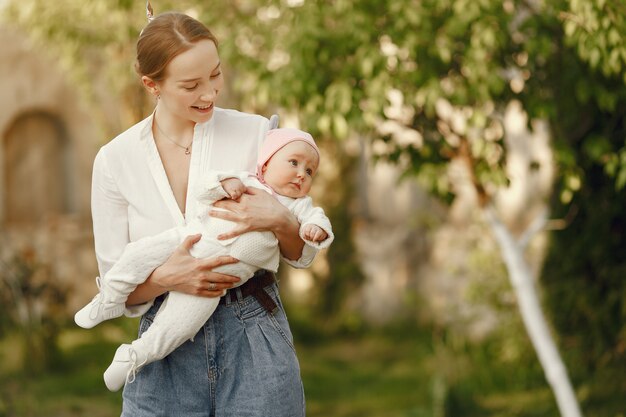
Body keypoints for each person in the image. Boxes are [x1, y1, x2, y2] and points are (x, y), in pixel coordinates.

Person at [88, 8, 321, 417]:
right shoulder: (114, 161)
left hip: (254, 331)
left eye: (215, 75)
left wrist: (280, 220)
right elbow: (117, 286)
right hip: (165, 343)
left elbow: (302, 253)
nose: (210, 94)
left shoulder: (256, 133)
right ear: (152, 85)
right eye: (191, 85)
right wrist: (168, 277)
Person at [75, 127, 334, 392]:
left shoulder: (298, 205)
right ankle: (110, 297)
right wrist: (222, 184)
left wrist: (316, 230)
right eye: (294, 163)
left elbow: (316, 222)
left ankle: (134, 355)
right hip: (191, 239)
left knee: (181, 322)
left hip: (218, 279)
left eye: (310, 171)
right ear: (266, 164)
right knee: (139, 254)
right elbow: (202, 189)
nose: (302, 173)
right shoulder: (244, 180)